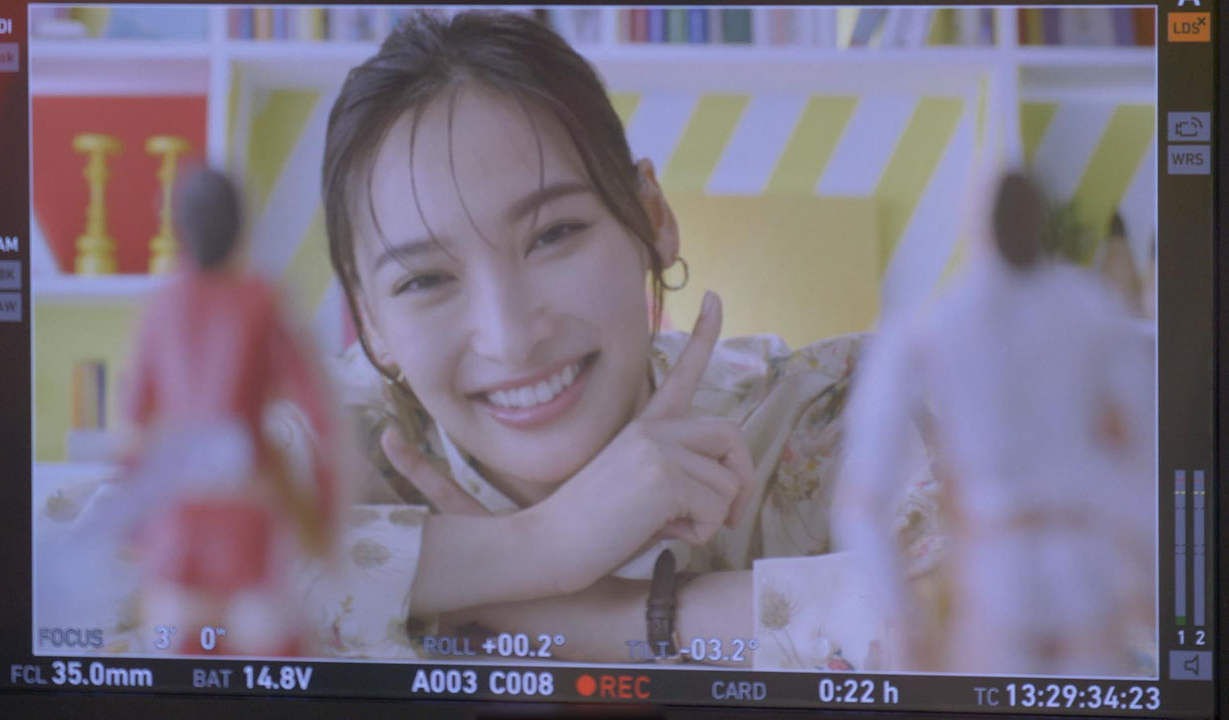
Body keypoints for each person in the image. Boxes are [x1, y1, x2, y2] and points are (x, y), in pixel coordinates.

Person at [288, 9, 943, 668]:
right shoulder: (321, 434)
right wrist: (543, 547)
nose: (511, 340)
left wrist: (620, 620)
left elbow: (973, 615)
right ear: (370, 319)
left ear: (651, 219)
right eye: (425, 280)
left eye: (553, 235)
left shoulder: (826, 419)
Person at [833, 173, 1155, 674]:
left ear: (975, 228)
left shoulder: (939, 324)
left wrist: (901, 613)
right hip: (1034, 559)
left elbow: (861, 500)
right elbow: (1142, 462)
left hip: (1019, 560)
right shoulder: (1089, 311)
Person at [120, 168, 343, 656]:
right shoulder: (262, 300)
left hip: (180, 505)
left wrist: (134, 527)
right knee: (269, 645)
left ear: (178, 229)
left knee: (178, 645)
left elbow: (134, 427)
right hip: (248, 498)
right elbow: (322, 417)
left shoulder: (162, 306)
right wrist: (320, 515)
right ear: (242, 228)